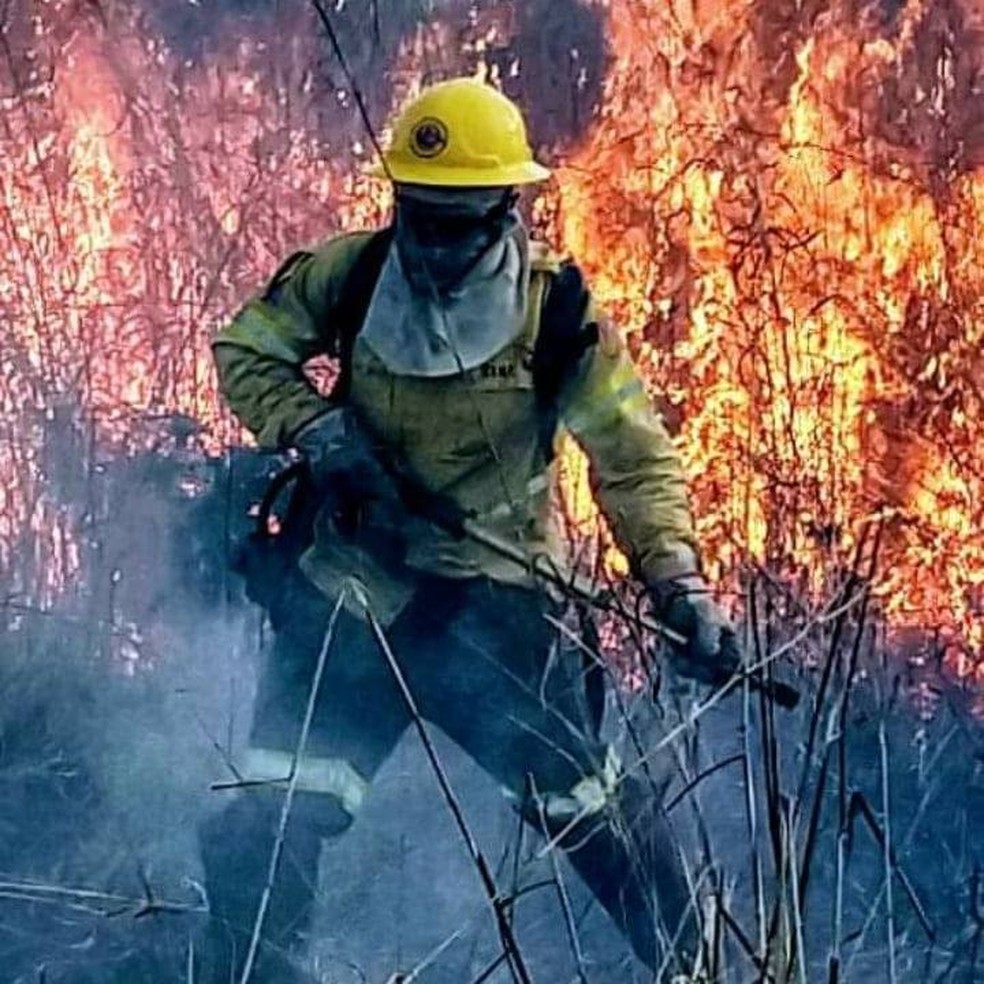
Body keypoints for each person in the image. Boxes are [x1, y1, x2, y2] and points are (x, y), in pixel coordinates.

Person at [203, 76, 737, 982]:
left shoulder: (555, 311)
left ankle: (704, 972)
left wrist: (677, 584)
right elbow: (246, 349)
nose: (439, 245)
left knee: (590, 809)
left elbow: (633, 457)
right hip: (352, 594)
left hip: (498, 608)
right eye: (423, 217)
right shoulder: (353, 272)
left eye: (462, 222)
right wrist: (320, 432)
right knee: (270, 817)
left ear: (508, 208)